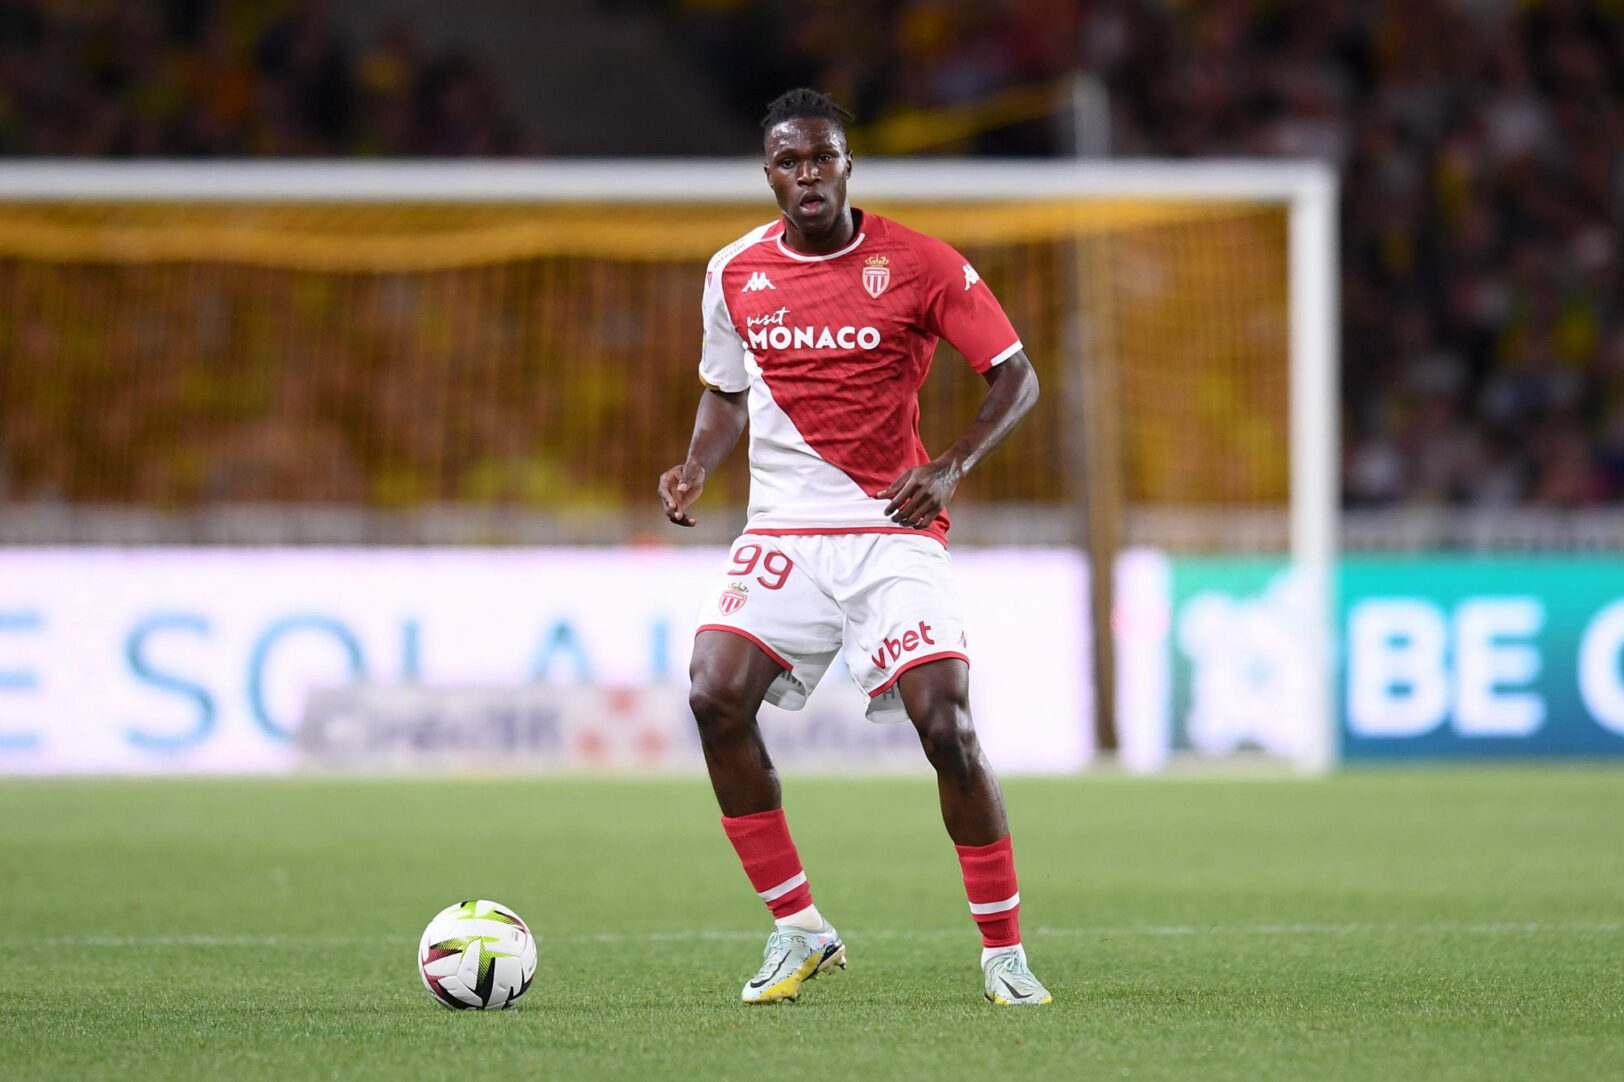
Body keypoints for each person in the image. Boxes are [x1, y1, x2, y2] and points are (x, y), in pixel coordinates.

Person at [657, 88, 1050, 1007]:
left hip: (891, 527)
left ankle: (1004, 954)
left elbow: (1016, 377)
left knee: (946, 725)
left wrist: (950, 465)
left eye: (822, 158)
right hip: (784, 530)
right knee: (713, 694)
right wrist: (696, 464)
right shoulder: (733, 271)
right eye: (789, 161)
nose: (808, 175)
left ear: (846, 166)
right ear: (769, 173)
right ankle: (800, 928)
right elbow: (726, 390)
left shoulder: (919, 262)